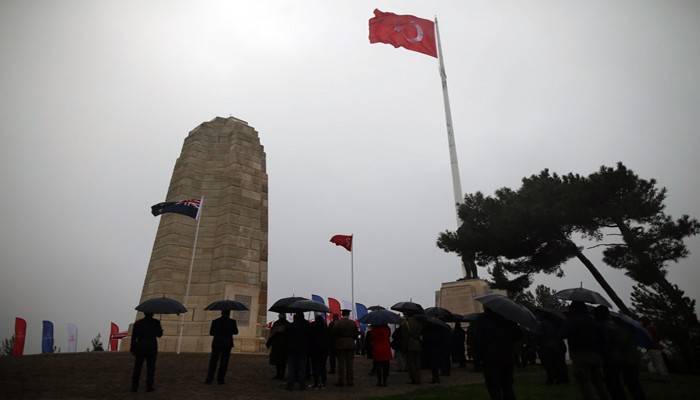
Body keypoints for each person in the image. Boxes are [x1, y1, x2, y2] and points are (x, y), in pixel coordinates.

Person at [594, 306, 646, 400]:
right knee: (632, 383)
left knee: (613, 384)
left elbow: (605, 343)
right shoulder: (621, 324)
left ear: (597, 316)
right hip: (630, 357)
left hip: (613, 359)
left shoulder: (603, 327)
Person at [562, 301, 610, 400]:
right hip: (596, 354)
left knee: (584, 382)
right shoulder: (594, 321)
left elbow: (562, 334)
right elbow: (603, 338)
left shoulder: (573, 321)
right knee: (599, 382)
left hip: (580, 354)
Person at [474, 307, 522, 400]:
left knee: (493, 385)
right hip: (507, 355)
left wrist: (478, 358)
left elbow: (478, 340)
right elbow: (518, 335)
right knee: (507, 385)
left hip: (490, 357)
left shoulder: (482, 320)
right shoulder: (507, 318)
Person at [130, 312, 163, 392]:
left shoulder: (138, 323)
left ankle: (134, 387)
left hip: (140, 347)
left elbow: (134, 337)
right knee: (151, 368)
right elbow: (159, 335)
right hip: (151, 347)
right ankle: (149, 386)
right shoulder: (156, 322)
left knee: (137, 368)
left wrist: (132, 348)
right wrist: (160, 330)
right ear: (152, 314)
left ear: (144, 313)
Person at [206, 310, 239, 385]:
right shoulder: (232, 322)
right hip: (227, 344)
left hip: (217, 343)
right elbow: (236, 332)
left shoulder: (215, 321)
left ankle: (209, 379)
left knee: (213, 362)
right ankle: (220, 380)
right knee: (224, 362)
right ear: (229, 313)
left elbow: (211, 333)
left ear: (221, 313)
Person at [331, 309, 359, 386]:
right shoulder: (353, 323)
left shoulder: (338, 323)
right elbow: (356, 334)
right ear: (348, 314)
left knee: (341, 364)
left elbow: (333, 333)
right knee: (350, 364)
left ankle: (341, 381)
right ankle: (350, 381)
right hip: (350, 344)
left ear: (342, 314)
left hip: (340, 344)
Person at [286, 312, 311, 390]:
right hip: (303, 349)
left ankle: (290, 384)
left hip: (292, 349)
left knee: (291, 368)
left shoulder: (290, 326)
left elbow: (287, 337)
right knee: (302, 368)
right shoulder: (307, 325)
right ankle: (302, 385)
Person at [399, 311, 423, 384]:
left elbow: (404, 337)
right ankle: (418, 378)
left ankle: (414, 379)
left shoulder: (405, 324)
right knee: (417, 363)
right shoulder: (419, 323)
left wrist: (403, 347)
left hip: (409, 345)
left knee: (411, 363)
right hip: (418, 344)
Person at [309, 313, 330, 388]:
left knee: (315, 366)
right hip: (323, 349)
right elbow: (328, 338)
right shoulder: (325, 327)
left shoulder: (312, 325)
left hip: (314, 349)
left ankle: (316, 382)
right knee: (322, 366)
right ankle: (323, 382)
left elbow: (309, 337)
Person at [266, 313, 289, 380]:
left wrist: (269, 343)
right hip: (282, 345)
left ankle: (279, 374)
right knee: (282, 361)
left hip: (279, 344)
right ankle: (280, 374)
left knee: (279, 361)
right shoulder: (286, 323)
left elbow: (272, 334)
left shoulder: (278, 323)